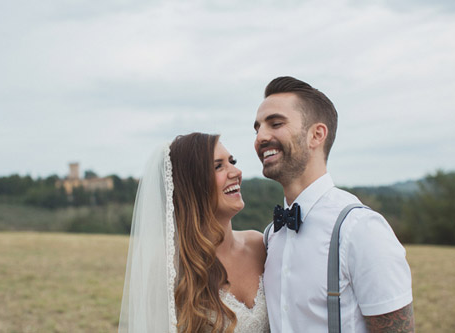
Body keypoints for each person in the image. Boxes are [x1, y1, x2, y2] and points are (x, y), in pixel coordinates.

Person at [254, 76, 414, 332]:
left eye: (275, 123)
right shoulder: (271, 235)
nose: (261, 137)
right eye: (258, 128)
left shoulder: (361, 229)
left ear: (316, 135)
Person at [119, 132, 269, 333]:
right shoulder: (170, 267)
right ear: (193, 184)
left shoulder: (259, 245)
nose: (236, 172)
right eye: (218, 166)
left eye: (232, 161)